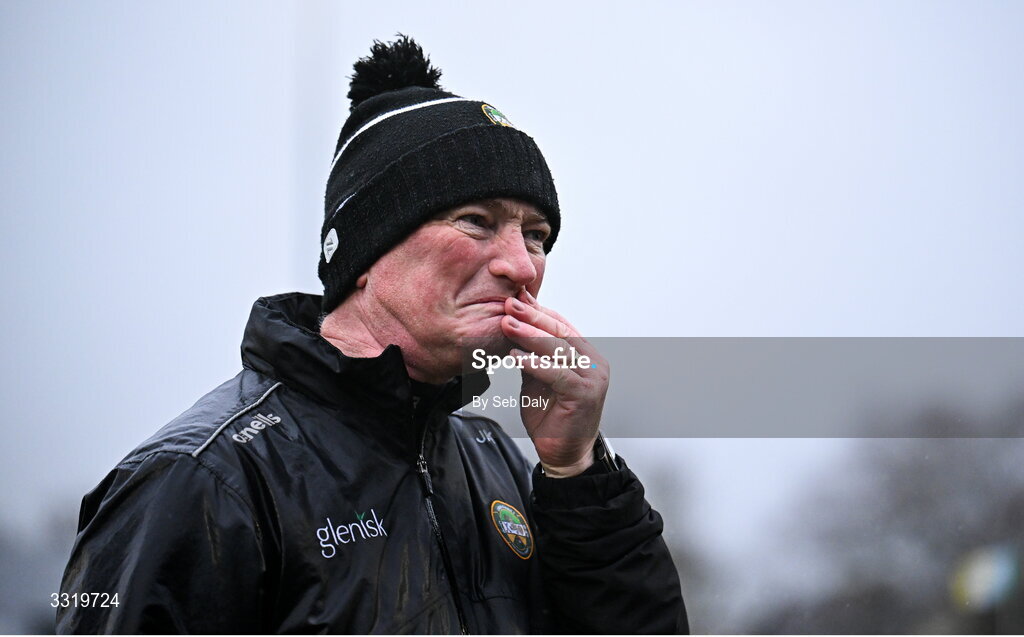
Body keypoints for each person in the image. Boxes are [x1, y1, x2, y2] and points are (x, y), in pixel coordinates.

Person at [57, 36, 688, 634]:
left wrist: (576, 470)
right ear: (367, 248)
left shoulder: (496, 457)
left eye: (536, 236)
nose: (522, 266)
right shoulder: (200, 480)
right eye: (476, 221)